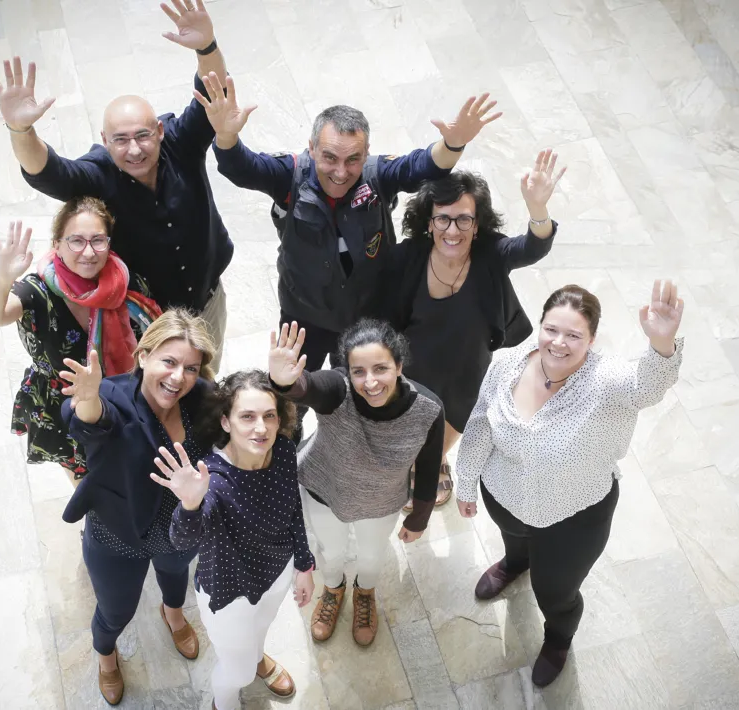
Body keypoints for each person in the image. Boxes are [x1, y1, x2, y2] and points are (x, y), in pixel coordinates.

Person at [197, 71, 500, 436]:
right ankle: (285, 451)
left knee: (365, 395)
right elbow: (241, 168)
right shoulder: (289, 175)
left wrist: (451, 145)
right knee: (292, 394)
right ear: (311, 148)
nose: (341, 172)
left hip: (366, 317)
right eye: (329, 158)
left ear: (366, 154)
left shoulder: (377, 175)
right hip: (303, 316)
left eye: (353, 160)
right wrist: (226, 136)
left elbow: (419, 167)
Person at [454, 280, 685, 687]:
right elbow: (478, 424)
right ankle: (514, 563)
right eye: (551, 329)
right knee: (515, 541)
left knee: (554, 591)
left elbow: (647, 385)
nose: (559, 343)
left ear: (591, 340)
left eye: (574, 335)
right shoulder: (507, 363)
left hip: (574, 516)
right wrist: (467, 480)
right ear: (540, 326)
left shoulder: (606, 381)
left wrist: (661, 345)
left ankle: (559, 638)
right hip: (505, 495)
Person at [0, 0, 233, 371]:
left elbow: (215, 94)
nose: (134, 149)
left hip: (208, 297)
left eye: (143, 136)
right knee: (160, 395)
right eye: (120, 140)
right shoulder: (98, 175)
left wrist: (207, 47)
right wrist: (21, 129)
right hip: (149, 317)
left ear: (160, 131)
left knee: (206, 383)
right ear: (104, 140)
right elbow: (48, 170)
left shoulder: (180, 142)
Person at [382, 151, 565, 508]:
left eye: (464, 220)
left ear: (478, 224)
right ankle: (412, 460)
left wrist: (538, 209)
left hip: (469, 360)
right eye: (443, 220)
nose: (453, 230)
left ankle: (434, 461)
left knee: (457, 413)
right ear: (429, 222)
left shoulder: (490, 253)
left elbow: (532, 247)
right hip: (416, 357)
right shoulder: (410, 256)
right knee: (411, 410)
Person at [59, 310, 217, 705]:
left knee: (176, 579)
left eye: (191, 368)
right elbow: (89, 420)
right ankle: (106, 653)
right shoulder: (110, 395)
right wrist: (89, 399)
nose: (179, 377)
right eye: (169, 361)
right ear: (143, 355)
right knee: (115, 609)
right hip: (119, 533)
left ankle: (174, 613)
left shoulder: (202, 401)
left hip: (179, 529)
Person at [268, 320, 445, 647]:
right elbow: (308, 387)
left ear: (399, 366)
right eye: (358, 371)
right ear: (346, 371)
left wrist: (419, 517)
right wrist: (285, 381)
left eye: (381, 368)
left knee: (371, 556)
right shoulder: (338, 389)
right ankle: (333, 589)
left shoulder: (428, 410)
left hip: (381, 500)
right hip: (325, 488)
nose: (371, 381)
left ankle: (365, 593)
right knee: (330, 552)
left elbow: (429, 466)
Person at [150, 370, 315, 710]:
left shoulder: (283, 449)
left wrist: (303, 561)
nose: (261, 428)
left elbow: (293, 505)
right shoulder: (212, 478)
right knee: (234, 675)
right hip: (229, 591)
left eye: (269, 416)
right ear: (226, 422)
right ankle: (223, 704)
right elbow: (182, 541)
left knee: (261, 628)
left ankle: (257, 659)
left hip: (277, 572)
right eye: (248, 417)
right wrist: (190, 502)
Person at [0, 198, 142, 485]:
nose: (88, 252)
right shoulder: (36, 291)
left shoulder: (122, 279)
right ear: (57, 244)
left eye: (98, 240)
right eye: (76, 241)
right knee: (88, 482)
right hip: (64, 405)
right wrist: (3, 279)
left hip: (123, 392)